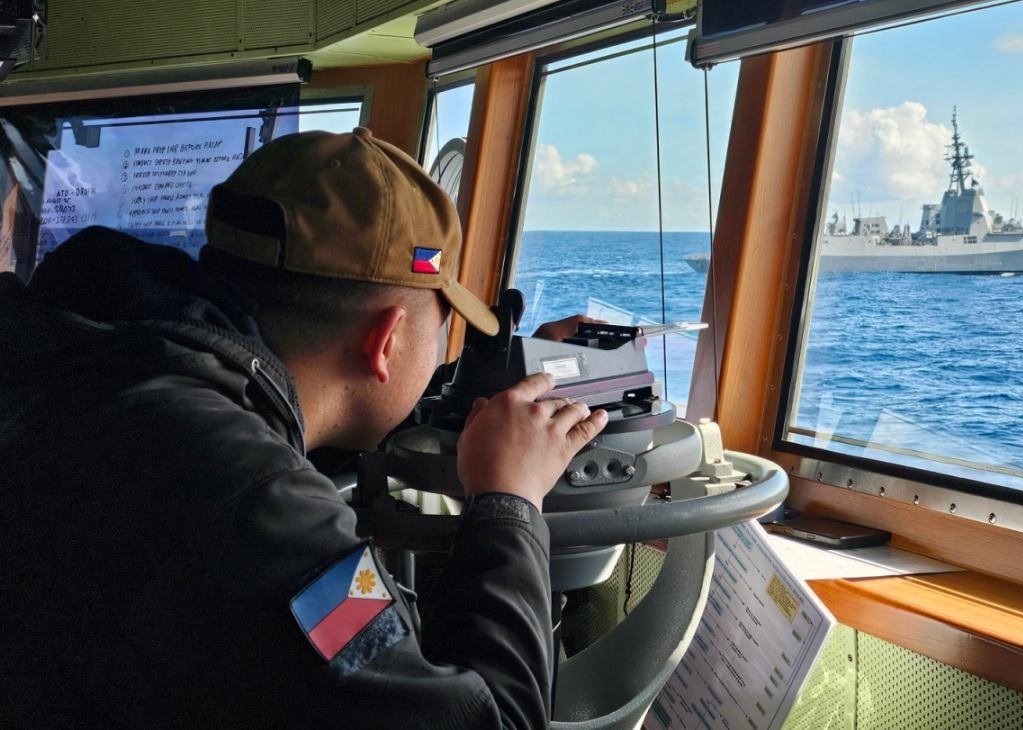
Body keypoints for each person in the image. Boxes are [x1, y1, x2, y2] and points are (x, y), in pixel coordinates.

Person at [0, 127, 607, 728]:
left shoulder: (99, 355)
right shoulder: (263, 514)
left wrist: (484, 379)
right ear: (386, 342)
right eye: (444, 321)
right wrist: (509, 501)